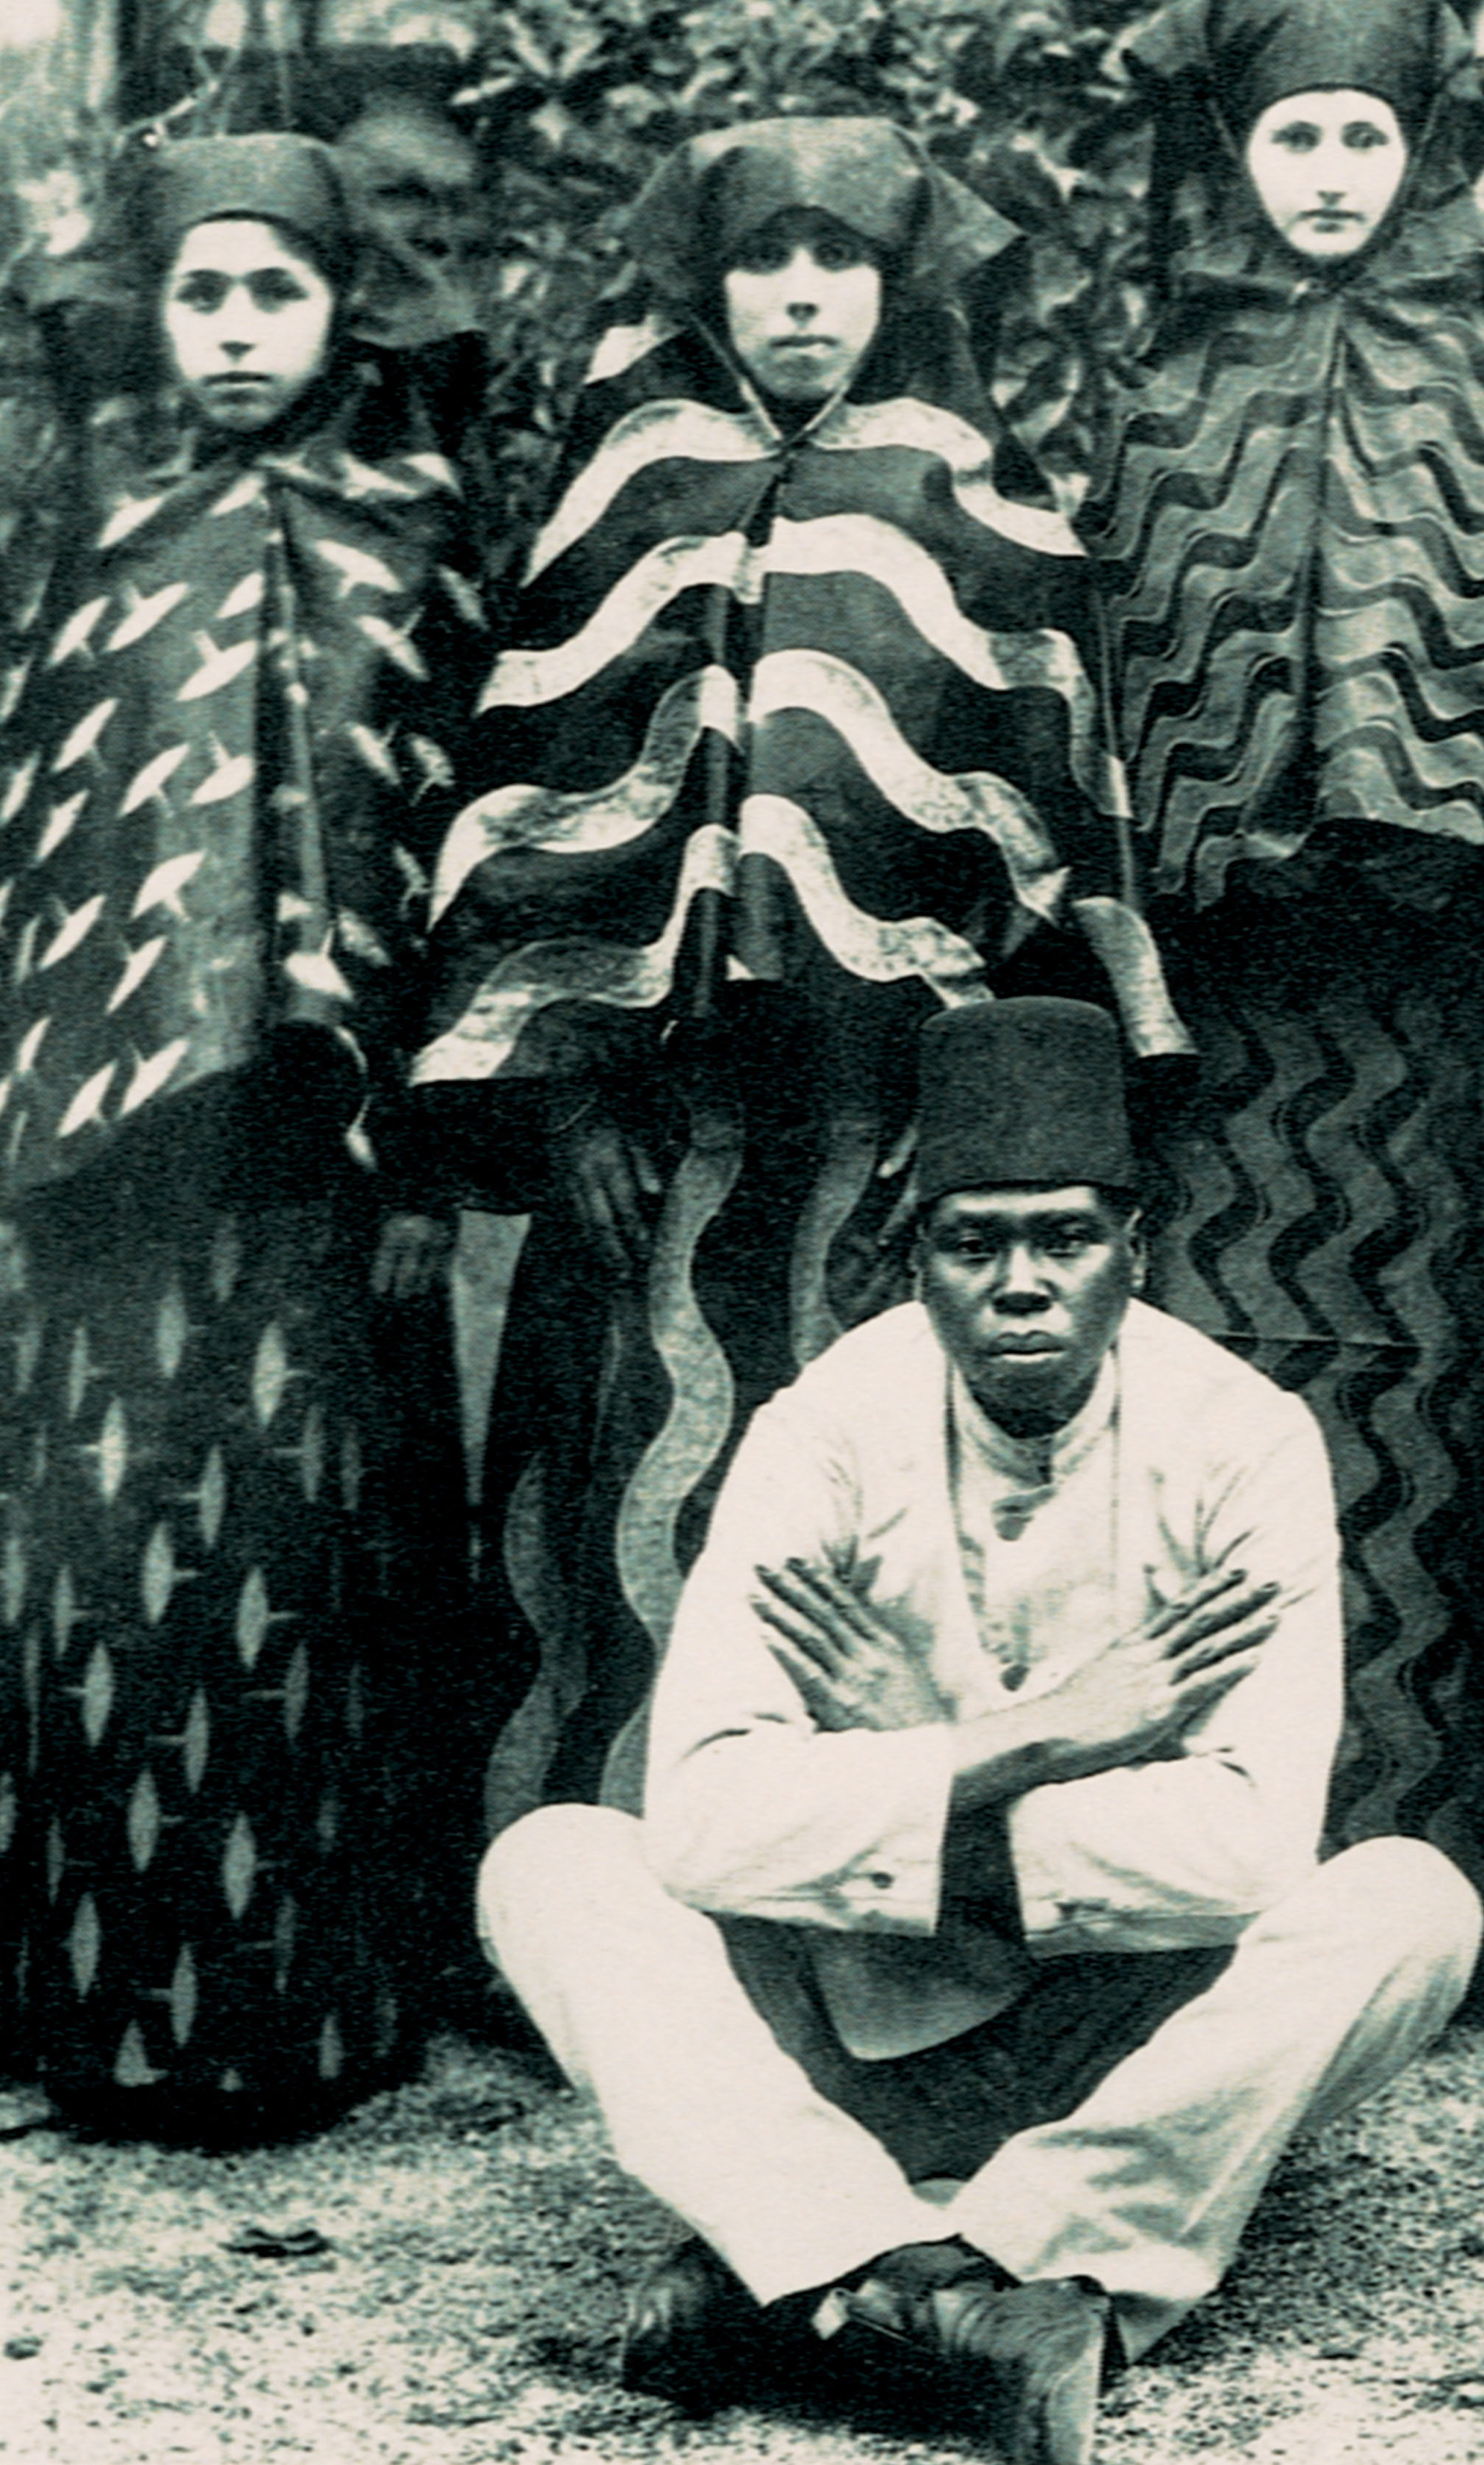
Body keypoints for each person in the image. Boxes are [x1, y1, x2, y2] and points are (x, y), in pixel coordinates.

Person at [474, 996, 1481, 2465]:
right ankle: (976, 2295)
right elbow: (698, 1819)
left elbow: (1250, 1852)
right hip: (840, 2018)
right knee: (558, 1861)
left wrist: (877, 1783)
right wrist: (1034, 1742)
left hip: (1119, 2033)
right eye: (973, 1244)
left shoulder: (1241, 1441)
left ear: (1135, 1250)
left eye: (1064, 1240)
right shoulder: (823, 1427)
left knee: (1409, 1905)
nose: (1022, 1287)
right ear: (918, 1259)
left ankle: (815, 2267)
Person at [413, 118, 1181, 1823]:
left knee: (869, 1511)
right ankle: (595, 1865)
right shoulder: (627, 488)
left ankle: (865, 1883)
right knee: (625, 1481)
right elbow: (528, 803)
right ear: (712, 281)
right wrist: (568, 1107)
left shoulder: (975, 505)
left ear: (894, 282)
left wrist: (981, 1129)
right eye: (767, 257)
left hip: (875, 1134)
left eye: (840, 258)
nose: (803, 295)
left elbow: (1057, 839)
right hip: (662, 1138)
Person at [0, 133, 499, 2134]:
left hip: (320, 1173)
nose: (239, 331)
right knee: (100, 1563)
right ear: (154, 319)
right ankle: (84, 1987)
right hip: (109, 1178)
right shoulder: (107, 541)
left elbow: (455, 866)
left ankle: (301, 2004)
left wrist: (432, 1150)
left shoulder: (419, 545)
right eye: (203, 294)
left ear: (341, 313)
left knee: (302, 1561)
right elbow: (16, 857)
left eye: (276, 293)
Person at [1101, 0, 1484, 1930]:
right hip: (1230, 1017)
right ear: (1237, 159)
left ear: (1422, 156)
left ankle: (1413, 1851)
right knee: (1228, 1389)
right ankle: (1210, 1845)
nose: (1323, 175)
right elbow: (1120, 696)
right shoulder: (1162, 393)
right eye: (1289, 138)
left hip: (1439, 1000)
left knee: (1438, 1403)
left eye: (1359, 139)